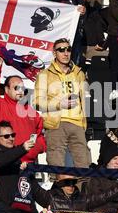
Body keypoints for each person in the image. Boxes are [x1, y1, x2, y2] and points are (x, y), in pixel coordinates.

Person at [34, 38, 91, 168]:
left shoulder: (79, 73)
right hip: (56, 124)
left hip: (78, 124)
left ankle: (81, 189)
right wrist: (60, 103)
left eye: (68, 49)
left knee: (84, 167)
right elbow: (37, 102)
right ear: (54, 53)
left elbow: (83, 100)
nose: (66, 53)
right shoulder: (45, 74)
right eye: (61, 50)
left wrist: (84, 123)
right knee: (56, 168)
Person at [0, 56, 46, 163]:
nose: (20, 91)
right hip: (7, 164)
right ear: (6, 90)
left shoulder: (32, 112)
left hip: (29, 165)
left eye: (23, 88)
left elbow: (40, 136)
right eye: (16, 88)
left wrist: (35, 150)